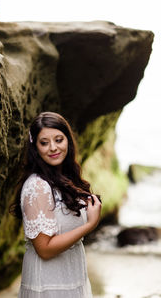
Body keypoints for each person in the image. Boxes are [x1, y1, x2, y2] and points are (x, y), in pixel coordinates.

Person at [11, 111, 102, 298]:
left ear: (68, 140)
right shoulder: (37, 186)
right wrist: (89, 225)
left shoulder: (66, 179)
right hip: (49, 284)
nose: (53, 147)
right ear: (35, 147)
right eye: (44, 143)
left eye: (59, 140)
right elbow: (44, 249)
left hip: (72, 277)